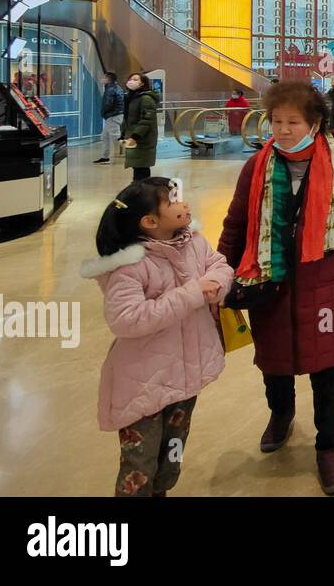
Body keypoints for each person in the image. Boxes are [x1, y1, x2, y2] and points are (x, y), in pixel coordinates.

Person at [217, 81, 334, 496]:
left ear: (315, 122)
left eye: (293, 122)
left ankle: (329, 446)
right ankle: (280, 415)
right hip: (270, 283)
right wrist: (219, 271)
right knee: (274, 362)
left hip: (327, 284)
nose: (282, 130)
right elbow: (235, 224)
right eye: (276, 121)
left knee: (327, 367)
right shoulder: (258, 166)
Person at [80, 177, 234, 496]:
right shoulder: (132, 267)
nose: (185, 204)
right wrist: (192, 293)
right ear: (150, 221)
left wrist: (217, 283)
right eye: (174, 201)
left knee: (171, 455)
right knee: (140, 464)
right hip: (144, 386)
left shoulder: (193, 242)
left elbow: (219, 265)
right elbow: (126, 319)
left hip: (186, 377)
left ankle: (163, 490)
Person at [121, 72, 161, 181]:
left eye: (135, 80)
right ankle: (140, 189)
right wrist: (123, 133)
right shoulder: (132, 97)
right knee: (138, 166)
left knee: (141, 167)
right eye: (130, 79)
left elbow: (147, 120)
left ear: (143, 84)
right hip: (135, 137)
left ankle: (141, 190)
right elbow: (128, 118)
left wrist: (135, 136)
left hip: (142, 138)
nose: (131, 81)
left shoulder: (146, 98)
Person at [94, 71, 125, 164]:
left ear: (108, 79)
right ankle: (105, 157)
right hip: (113, 115)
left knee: (116, 138)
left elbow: (108, 104)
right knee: (105, 136)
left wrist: (103, 112)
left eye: (104, 77)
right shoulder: (116, 87)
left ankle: (132, 148)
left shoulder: (110, 89)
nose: (102, 79)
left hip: (112, 116)